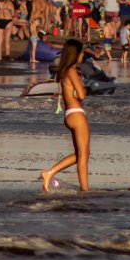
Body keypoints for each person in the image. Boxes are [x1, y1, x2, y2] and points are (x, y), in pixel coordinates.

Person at [39, 39, 90, 192]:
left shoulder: (65, 70)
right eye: (81, 53)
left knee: (82, 154)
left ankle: (50, 173)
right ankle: (85, 190)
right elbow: (81, 95)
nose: (82, 55)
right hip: (77, 113)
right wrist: (85, 88)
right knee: (83, 155)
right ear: (76, 54)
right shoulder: (72, 70)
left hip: (70, 113)